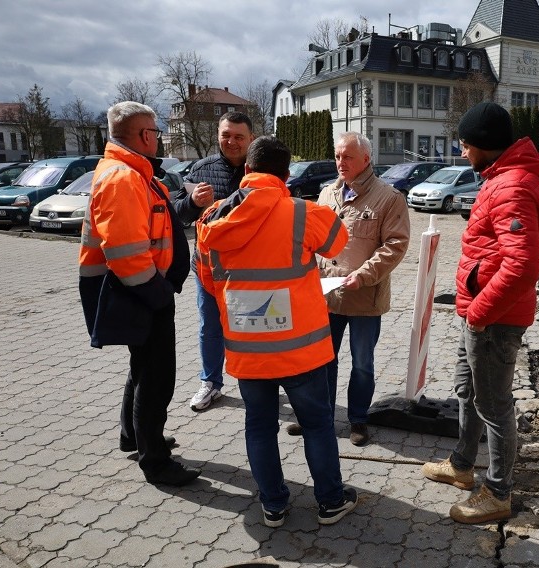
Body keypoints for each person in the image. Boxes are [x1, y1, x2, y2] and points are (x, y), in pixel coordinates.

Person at [196, 135, 356, 527]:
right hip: (302, 349)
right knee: (317, 425)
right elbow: (340, 243)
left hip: (247, 350)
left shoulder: (212, 218)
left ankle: (272, 505)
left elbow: (208, 280)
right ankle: (331, 502)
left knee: (260, 426)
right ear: (286, 175)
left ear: (247, 171)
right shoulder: (303, 213)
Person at [421, 102, 539, 524]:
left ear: (484, 145)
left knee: (494, 405)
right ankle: (462, 465)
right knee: (467, 391)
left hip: (494, 319)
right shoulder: (500, 178)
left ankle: (497, 493)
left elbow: (522, 265)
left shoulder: (512, 185)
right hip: (481, 313)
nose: (462, 154)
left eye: (465, 145)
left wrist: (478, 311)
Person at [78, 101, 200, 486]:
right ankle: (156, 462)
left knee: (142, 369)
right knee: (155, 377)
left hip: (140, 289)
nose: (159, 138)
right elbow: (125, 252)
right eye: (157, 132)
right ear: (145, 136)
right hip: (139, 291)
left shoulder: (132, 172)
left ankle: (134, 436)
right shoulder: (123, 178)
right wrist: (157, 293)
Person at [312, 132, 410, 446]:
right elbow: (313, 241)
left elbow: (395, 245)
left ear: (365, 159)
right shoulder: (327, 194)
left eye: (348, 156)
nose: (341, 162)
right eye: (338, 156)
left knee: (362, 363)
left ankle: (358, 419)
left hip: (365, 297)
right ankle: (321, 418)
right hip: (328, 295)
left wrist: (364, 275)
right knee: (322, 360)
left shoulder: (388, 197)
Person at [174, 112, 255, 412]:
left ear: (251, 139)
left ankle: (259, 381)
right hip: (208, 269)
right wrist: (193, 203)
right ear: (218, 135)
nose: (231, 142)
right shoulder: (201, 169)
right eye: (226, 135)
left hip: (250, 271)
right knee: (211, 327)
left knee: (254, 327)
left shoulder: (260, 169)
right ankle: (211, 382)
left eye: (239, 136)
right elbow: (179, 214)